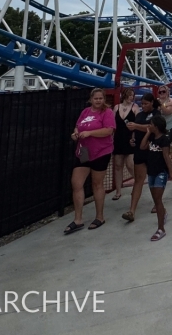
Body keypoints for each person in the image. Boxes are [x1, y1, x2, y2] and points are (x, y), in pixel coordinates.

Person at [65, 88, 115, 234]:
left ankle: (100, 216)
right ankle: (78, 219)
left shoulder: (107, 112)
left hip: (100, 151)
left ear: (104, 99)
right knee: (76, 183)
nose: (98, 100)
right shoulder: (85, 112)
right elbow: (78, 126)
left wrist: (90, 133)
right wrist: (75, 133)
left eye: (101, 98)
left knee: (97, 183)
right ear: (91, 99)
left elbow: (109, 130)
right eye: (96, 98)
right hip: (84, 151)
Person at [122, 92, 156, 222]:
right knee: (138, 180)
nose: (144, 106)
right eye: (142, 104)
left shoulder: (156, 114)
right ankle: (132, 210)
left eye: (146, 103)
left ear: (152, 102)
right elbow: (136, 131)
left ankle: (157, 204)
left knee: (153, 178)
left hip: (152, 149)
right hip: (139, 150)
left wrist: (136, 126)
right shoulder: (140, 115)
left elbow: (152, 128)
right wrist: (132, 138)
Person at [142, 115, 172, 241]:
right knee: (156, 200)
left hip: (160, 172)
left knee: (157, 200)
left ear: (156, 126)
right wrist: (147, 134)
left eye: (150, 124)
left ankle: (161, 228)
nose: (149, 126)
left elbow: (166, 156)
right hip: (151, 172)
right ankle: (163, 213)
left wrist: (171, 172)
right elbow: (142, 146)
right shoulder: (152, 137)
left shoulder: (164, 140)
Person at [110, 87, 140, 200]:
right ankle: (118, 191)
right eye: (129, 95)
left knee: (130, 164)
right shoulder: (116, 107)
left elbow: (138, 123)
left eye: (132, 95)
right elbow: (113, 124)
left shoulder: (135, 107)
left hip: (130, 138)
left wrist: (134, 137)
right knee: (118, 165)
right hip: (118, 138)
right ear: (124, 96)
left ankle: (138, 183)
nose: (131, 97)